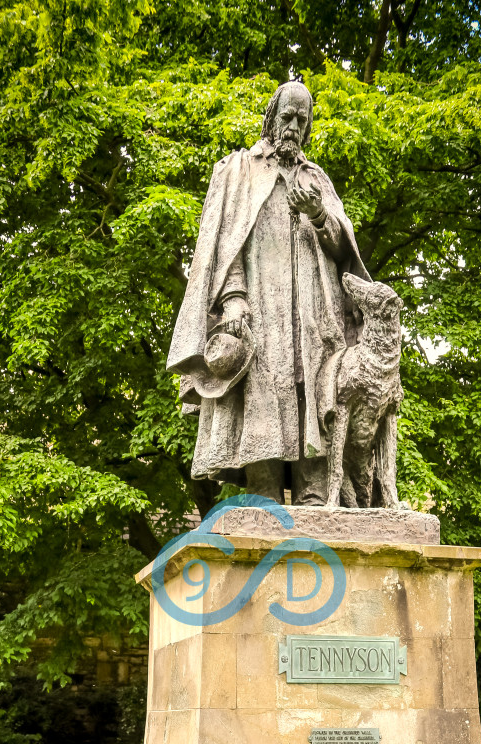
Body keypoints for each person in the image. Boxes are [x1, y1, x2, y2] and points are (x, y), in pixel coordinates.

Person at [167, 81, 369, 505]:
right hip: (260, 307)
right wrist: (233, 296)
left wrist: (316, 213)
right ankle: (264, 494)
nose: (293, 126)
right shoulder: (240, 171)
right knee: (263, 391)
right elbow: (225, 241)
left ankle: (315, 493)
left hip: (314, 312)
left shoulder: (316, 179)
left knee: (314, 391)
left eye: (302, 119)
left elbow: (342, 249)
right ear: (271, 117)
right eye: (287, 117)